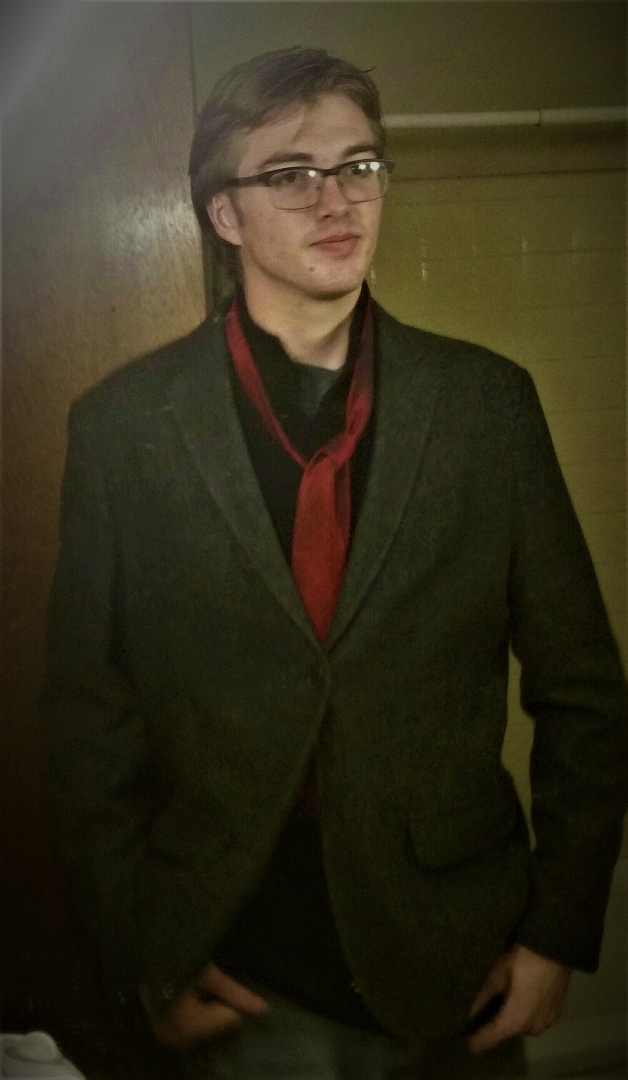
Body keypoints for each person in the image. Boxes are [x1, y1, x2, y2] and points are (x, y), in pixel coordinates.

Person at [40, 47, 628, 1079]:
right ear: (224, 214)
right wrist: (143, 947)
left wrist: (557, 932)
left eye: (358, 165)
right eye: (291, 174)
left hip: (460, 958)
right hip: (239, 961)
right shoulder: (124, 430)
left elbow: (583, 689)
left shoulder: (486, 407)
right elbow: (89, 715)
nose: (337, 198)